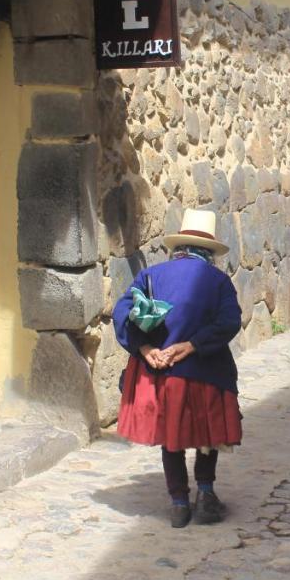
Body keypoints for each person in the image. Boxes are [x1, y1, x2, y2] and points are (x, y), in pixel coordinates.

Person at [114, 209, 243, 528]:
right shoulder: (218, 281)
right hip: (206, 371)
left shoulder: (151, 276)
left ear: (179, 249)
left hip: (162, 373)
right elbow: (229, 321)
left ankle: (178, 503)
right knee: (207, 435)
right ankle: (206, 494)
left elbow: (123, 310)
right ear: (209, 252)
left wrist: (146, 349)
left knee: (171, 436)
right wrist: (193, 345)